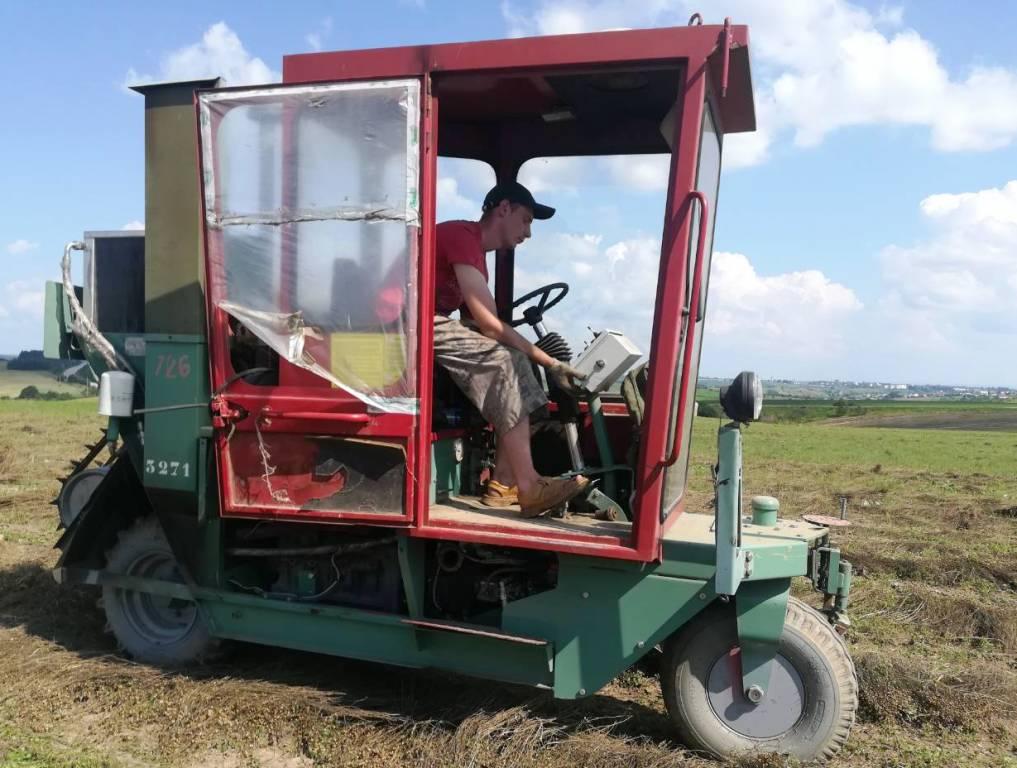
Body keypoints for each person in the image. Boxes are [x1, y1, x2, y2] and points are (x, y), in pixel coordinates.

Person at [434, 181, 588, 518]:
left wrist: (532, 360)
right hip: (406, 323)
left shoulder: (476, 255)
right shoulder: (461, 236)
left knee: (517, 362)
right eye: (526, 220)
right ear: (503, 208)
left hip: (430, 324)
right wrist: (550, 362)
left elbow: (478, 322)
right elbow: (490, 325)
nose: (528, 233)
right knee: (504, 361)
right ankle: (529, 486)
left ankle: (503, 484)